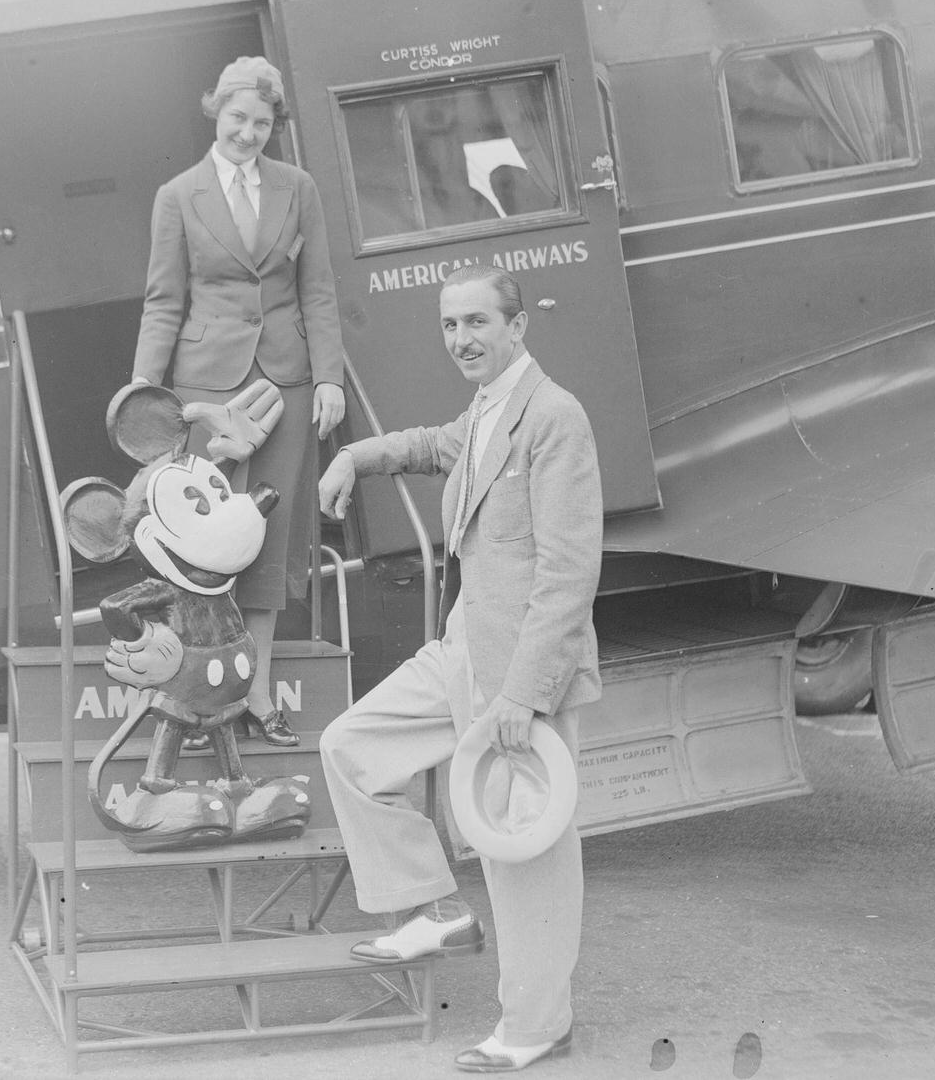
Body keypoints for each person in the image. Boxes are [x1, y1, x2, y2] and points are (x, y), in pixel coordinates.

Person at [317, 264, 602, 1072]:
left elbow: (570, 571)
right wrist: (357, 458)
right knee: (351, 747)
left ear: (518, 327)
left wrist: (524, 694)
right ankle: (435, 908)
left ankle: (536, 1025)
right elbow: (434, 446)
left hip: (519, 672)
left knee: (525, 855)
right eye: (450, 326)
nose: (462, 340)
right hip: (462, 650)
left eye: (478, 323)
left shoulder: (553, 416)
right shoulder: (487, 410)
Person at [132, 55, 345, 747]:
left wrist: (328, 378)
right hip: (204, 390)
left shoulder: (298, 187)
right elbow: (164, 301)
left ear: (274, 124)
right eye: (237, 119)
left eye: (262, 122)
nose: (249, 133)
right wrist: (145, 397)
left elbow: (317, 290)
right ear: (214, 113)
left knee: (268, 541)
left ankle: (255, 691)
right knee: (203, 549)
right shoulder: (177, 195)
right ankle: (198, 696)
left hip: (282, 385)